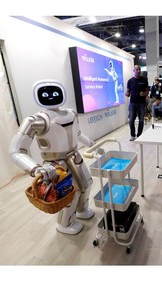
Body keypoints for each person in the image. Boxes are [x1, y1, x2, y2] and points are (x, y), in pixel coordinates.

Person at [9, 80, 97, 235]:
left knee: (87, 183)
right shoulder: (35, 120)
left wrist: (90, 143)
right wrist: (35, 168)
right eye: (45, 94)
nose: (50, 97)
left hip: (75, 156)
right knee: (67, 193)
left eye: (55, 93)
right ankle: (65, 223)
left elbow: (76, 133)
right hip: (55, 165)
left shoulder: (71, 113)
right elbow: (16, 150)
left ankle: (82, 210)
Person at [126, 65, 149, 141]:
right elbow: (128, 92)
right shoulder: (130, 81)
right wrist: (127, 93)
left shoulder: (144, 80)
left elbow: (147, 92)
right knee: (131, 120)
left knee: (141, 120)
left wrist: (145, 94)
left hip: (141, 103)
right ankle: (132, 135)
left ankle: (139, 135)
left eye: (139, 69)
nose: (138, 71)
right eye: (136, 69)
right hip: (132, 103)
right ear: (134, 71)